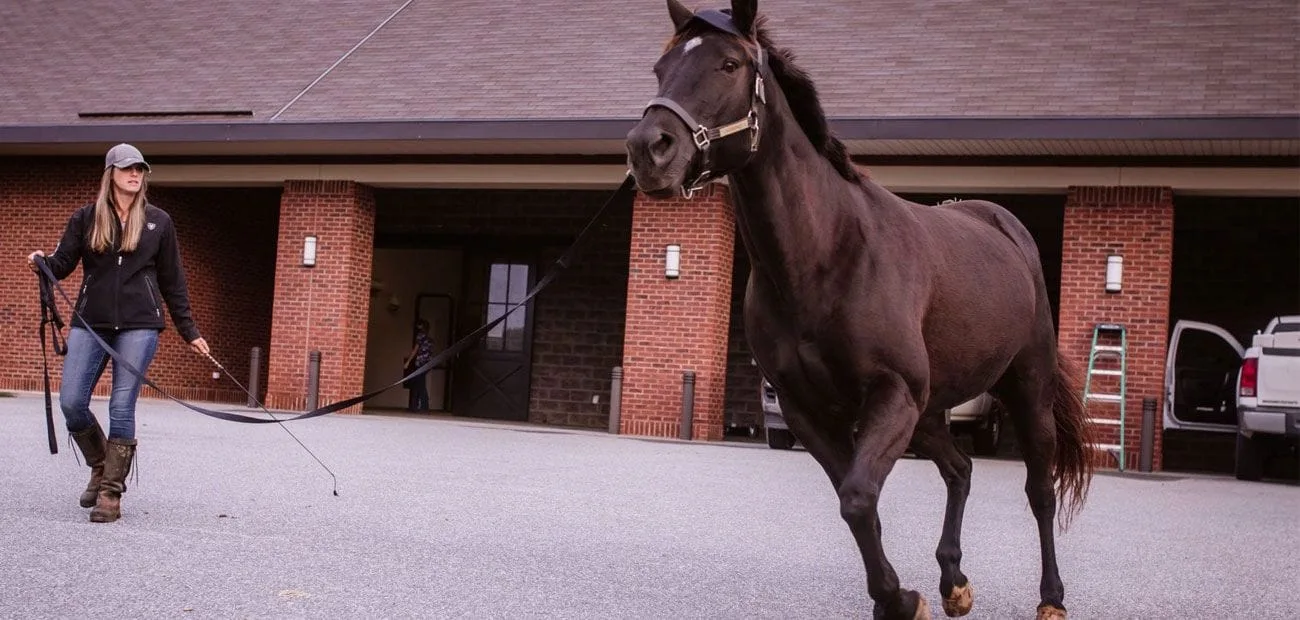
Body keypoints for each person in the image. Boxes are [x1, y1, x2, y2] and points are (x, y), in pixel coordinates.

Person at [26, 143, 209, 523]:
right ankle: (99, 465)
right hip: (90, 322)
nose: (135, 175)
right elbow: (62, 265)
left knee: (121, 405)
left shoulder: (159, 221)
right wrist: (42, 262)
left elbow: (174, 281)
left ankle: (110, 492)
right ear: (111, 173)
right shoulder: (86, 218)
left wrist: (189, 330)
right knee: (72, 403)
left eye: (140, 169)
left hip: (141, 324)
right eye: (128, 169)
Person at [404, 319, 434, 412]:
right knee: (418, 383)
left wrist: (408, 361)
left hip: (420, 363)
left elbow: (415, 350)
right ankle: (415, 406)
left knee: (419, 384)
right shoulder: (430, 339)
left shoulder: (420, 336)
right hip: (428, 363)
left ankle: (423, 406)